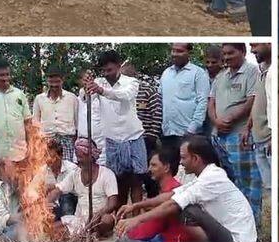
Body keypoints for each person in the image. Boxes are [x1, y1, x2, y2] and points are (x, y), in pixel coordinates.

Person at [114, 136, 257, 242]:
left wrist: (135, 220)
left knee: (187, 210)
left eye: (183, 158)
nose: (180, 162)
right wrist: (135, 205)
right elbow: (172, 195)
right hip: (224, 233)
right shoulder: (204, 176)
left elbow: (172, 204)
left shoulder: (212, 178)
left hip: (237, 240)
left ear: (195, 159)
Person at [209, 43, 262, 224]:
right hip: (218, 136)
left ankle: (253, 223)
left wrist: (231, 118)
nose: (226, 57)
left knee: (248, 182)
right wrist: (216, 121)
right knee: (230, 182)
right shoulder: (221, 76)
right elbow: (211, 102)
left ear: (243, 52)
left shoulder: (252, 72)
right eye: (224, 54)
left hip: (239, 135)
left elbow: (253, 100)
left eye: (231, 53)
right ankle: (236, 221)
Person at [85, 50, 146, 205]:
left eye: (109, 70)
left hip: (133, 136)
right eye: (103, 71)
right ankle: (120, 219)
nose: (106, 74)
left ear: (119, 66)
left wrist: (101, 90)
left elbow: (124, 96)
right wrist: (86, 86)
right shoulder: (99, 81)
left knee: (137, 180)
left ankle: (137, 217)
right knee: (118, 182)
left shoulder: (131, 82)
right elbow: (85, 98)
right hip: (112, 139)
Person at [114, 147, 195, 242]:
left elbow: (153, 227)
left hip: (172, 241)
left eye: (153, 165)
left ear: (166, 167)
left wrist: (129, 232)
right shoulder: (170, 187)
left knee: (123, 241)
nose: (149, 169)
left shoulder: (173, 189)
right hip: (164, 237)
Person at [47, 138, 119, 241]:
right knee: (52, 230)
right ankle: (84, 234)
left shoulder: (107, 174)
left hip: (100, 218)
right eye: (77, 157)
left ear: (91, 156)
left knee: (106, 220)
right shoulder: (74, 174)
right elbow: (58, 190)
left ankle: (94, 234)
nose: (78, 160)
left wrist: (98, 214)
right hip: (80, 219)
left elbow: (112, 203)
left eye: (81, 157)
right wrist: (44, 204)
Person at [120, 62, 163, 198]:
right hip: (124, 142)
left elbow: (157, 114)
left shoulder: (148, 90)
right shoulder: (118, 93)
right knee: (127, 180)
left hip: (145, 141)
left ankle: (151, 206)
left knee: (147, 178)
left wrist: (150, 138)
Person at [159, 43, 211, 151]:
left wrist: (192, 129)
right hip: (168, 133)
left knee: (188, 167)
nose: (175, 54)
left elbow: (203, 102)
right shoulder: (166, 73)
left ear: (189, 53)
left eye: (180, 51)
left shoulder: (198, 73)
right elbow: (160, 100)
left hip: (190, 134)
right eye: (173, 51)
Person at [244, 43, 272, 200]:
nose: (252, 50)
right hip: (258, 139)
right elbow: (258, 101)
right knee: (268, 188)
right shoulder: (261, 69)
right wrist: (248, 127)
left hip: (269, 139)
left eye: (255, 45)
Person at [32, 66, 78, 162]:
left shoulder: (72, 98)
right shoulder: (39, 99)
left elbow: (77, 123)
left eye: (57, 82)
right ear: (47, 81)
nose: (54, 85)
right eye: (51, 82)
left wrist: (76, 142)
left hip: (67, 141)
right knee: (48, 172)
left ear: (62, 80)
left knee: (67, 171)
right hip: (47, 141)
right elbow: (35, 123)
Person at [39, 140, 79, 219]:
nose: (49, 160)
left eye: (53, 157)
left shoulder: (72, 168)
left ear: (61, 156)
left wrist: (53, 187)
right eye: (46, 157)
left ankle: (69, 227)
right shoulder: (43, 170)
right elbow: (32, 190)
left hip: (70, 206)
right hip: (51, 206)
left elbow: (78, 191)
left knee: (66, 197)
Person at [76, 69, 105, 165]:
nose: (87, 82)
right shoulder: (77, 100)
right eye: (85, 79)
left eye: (90, 78)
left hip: (100, 144)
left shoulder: (102, 98)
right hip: (82, 144)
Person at [202, 45, 224, 138]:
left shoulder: (226, 76)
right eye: (207, 62)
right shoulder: (201, 76)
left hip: (219, 117)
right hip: (203, 119)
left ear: (221, 61)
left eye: (213, 62)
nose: (210, 65)